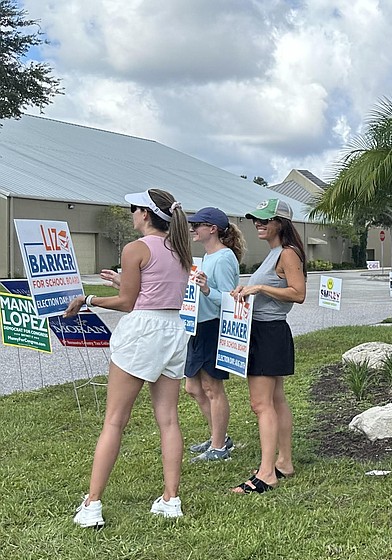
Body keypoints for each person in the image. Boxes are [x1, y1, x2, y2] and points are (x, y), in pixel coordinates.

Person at [67, 189, 192, 527]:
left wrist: (89, 298)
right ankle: (171, 498)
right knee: (168, 419)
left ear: (146, 215)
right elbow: (153, 289)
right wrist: (123, 282)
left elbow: (127, 302)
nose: (131, 214)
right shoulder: (180, 249)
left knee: (114, 421)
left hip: (143, 333)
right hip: (173, 331)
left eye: (134, 209)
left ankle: (92, 505)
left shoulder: (135, 248)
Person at [229, 199, 306, 493]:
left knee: (261, 404)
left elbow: (298, 294)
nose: (258, 224)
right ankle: (283, 462)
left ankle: (267, 473)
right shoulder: (276, 253)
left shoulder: (287, 254)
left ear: (281, 222)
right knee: (275, 400)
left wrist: (259, 287)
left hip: (269, 332)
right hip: (265, 331)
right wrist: (247, 290)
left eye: (264, 219)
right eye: (255, 220)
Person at [183, 207, 244, 463]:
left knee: (211, 388)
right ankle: (220, 436)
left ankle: (218, 447)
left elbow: (233, 300)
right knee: (192, 387)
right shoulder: (206, 258)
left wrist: (208, 290)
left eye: (197, 224)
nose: (192, 229)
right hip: (198, 326)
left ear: (213, 229)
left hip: (213, 326)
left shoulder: (224, 258)